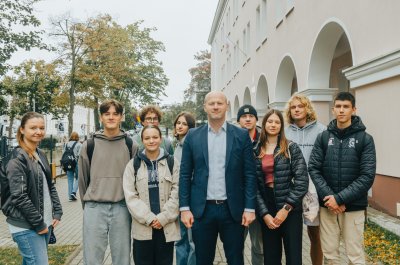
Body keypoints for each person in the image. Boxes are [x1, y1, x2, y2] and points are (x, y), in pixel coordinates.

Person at [179, 91, 256, 265]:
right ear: (205, 107)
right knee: (203, 260)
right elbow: (184, 174)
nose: (215, 106)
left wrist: (249, 208)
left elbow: (249, 174)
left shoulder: (241, 135)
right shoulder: (192, 136)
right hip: (202, 210)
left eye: (219, 103)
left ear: (226, 106)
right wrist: (184, 208)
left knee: (236, 259)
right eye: (211, 103)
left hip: (232, 210)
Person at [308, 92, 376, 265]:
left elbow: (367, 175)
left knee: (355, 255)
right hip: (328, 205)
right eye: (338, 106)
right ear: (333, 110)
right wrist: (331, 199)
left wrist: (340, 198)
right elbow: (314, 168)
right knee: (330, 255)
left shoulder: (365, 139)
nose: (341, 110)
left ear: (354, 110)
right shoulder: (323, 137)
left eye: (346, 106)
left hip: (353, 207)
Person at [78, 99, 138, 265]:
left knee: (122, 258)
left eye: (115, 114)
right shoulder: (89, 145)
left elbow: (135, 179)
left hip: (122, 207)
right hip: (94, 207)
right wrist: (88, 203)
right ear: (101, 117)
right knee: (92, 258)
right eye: (107, 114)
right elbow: (82, 179)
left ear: (121, 117)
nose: (111, 117)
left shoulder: (130, 144)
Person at [0, 112, 63, 264]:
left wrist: (57, 210)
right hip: (26, 225)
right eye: (33, 127)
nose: (38, 131)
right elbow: (19, 196)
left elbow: (50, 184)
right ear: (22, 129)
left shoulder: (40, 154)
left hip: (43, 222)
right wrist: (39, 223)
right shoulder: (16, 159)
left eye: (42, 128)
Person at [255, 109, 308, 265]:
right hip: (268, 206)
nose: (273, 125)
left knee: (293, 256)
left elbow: (302, 181)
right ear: (264, 124)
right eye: (270, 121)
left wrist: (286, 208)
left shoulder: (291, 148)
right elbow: (253, 186)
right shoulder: (255, 150)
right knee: (271, 257)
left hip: (290, 207)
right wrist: (264, 214)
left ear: (281, 125)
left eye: (277, 122)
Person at [123, 125, 180, 265]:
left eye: (155, 137)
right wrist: (149, 218)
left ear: (161, 139)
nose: (151, 141)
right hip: (143, 229)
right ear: (142, 140)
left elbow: (178, 192)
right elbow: (130, 196)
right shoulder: (133, 165)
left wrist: (163, 218)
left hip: (165, 227)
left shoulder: (172, 163)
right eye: (147, 138)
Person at [284, 94, 325, 265]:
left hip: (312, 191)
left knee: (314, 234)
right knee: (287, 233)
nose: (297, 109)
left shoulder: (321, 130)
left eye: (300, 106)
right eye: (293, 107)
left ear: (307, 108)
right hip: (289, 189)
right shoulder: (284, 132)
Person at [237, 104, 263, 265]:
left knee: (259, 246)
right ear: (238, 120)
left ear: (256, 119)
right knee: (236, 245)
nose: (247, 119)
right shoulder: (233, 139)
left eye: (251, 116)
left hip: (260, 200)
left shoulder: (265, 138)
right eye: (244, 117)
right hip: (238, 200)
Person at [173, 112, 196, 265]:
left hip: (191, 197)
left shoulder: (192, 144)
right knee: (180, 238)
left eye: (184, 123)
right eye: (178, 123)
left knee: (192, 239)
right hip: (177, 197)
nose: (180, 126)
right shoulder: (177, 146)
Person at [64, 131, 82, 202]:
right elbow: (80, 155)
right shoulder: (79, 144)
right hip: (76, 163)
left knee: (70, 179)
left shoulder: (66, 144)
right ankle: (74, 192)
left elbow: (64, 153)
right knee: (79, 177)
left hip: (68, 163)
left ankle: (70, 197)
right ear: (77, 137)